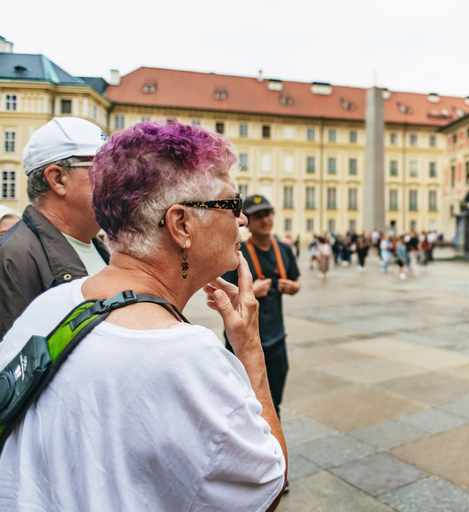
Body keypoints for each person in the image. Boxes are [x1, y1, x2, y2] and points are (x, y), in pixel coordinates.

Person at [0, 120, 287, 510]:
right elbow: (265, 486)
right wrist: (250, 350)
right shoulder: (185, 357)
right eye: (231, 203)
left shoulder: (51, 305)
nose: (241, 220)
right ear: (181, 224)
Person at [0, 118, 110, 339]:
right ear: (58, 179)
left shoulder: (98, 248)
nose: (116, 181)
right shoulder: (12, 258)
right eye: (104, 170)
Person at [222, 194, 300, 421]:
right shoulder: (237, 252)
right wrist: (250, 290)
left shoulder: (284, 250)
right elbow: (222, 294)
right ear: (247, 220)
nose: (264, 220)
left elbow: (297, 281)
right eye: (257, 216)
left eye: (267, 214)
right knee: (243, 405)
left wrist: (294, 287)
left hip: (276, 340)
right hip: (242, 343)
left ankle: (273, 447)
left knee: (274, 404)